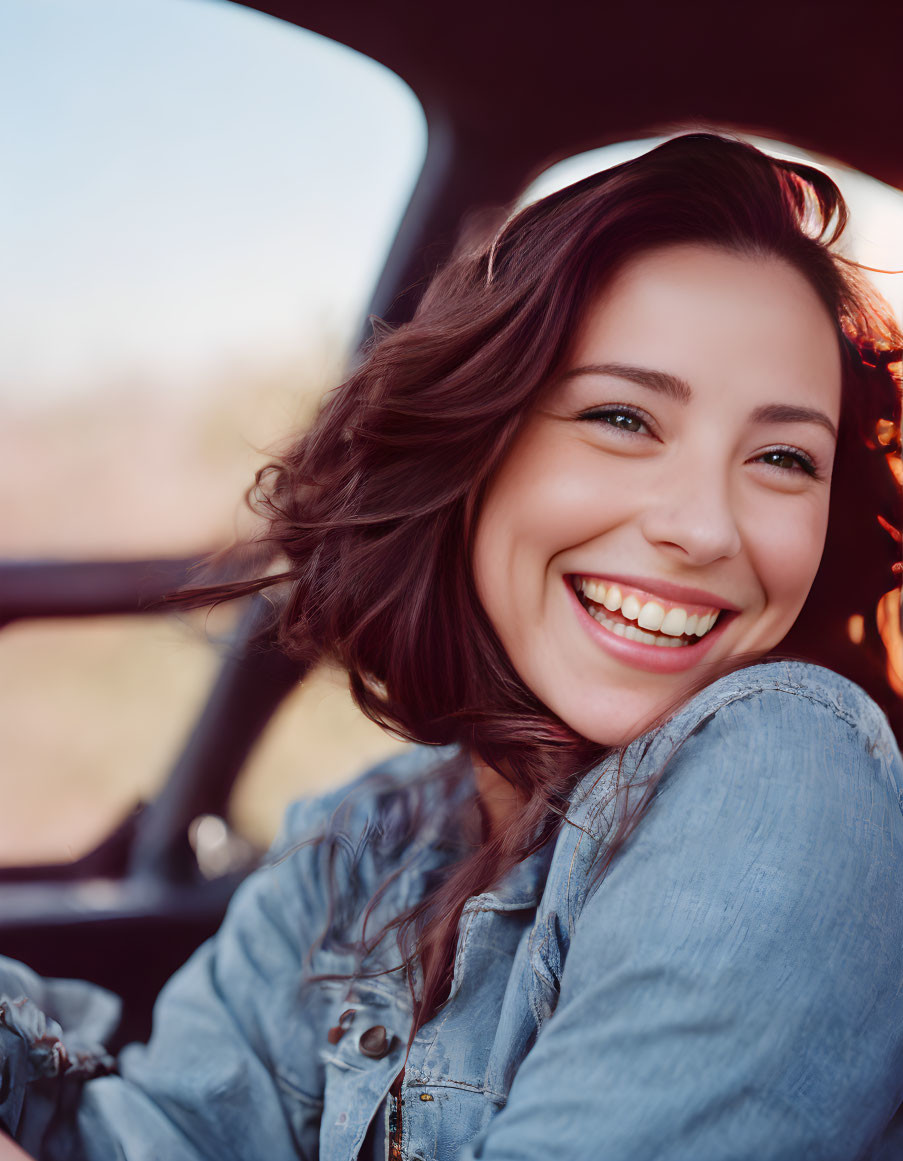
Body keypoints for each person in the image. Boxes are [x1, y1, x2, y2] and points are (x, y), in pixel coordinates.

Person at [1, 132, 902, 1161]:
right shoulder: (365, 841)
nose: (704, 528)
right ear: (477, 447)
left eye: (785, 457)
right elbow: (156, 1143)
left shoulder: (794, 770)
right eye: (622, 417)